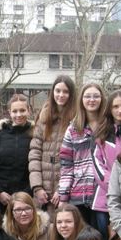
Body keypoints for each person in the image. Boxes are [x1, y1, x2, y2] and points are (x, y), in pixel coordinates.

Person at [58, 82, 106, 228]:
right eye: (87, 96)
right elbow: (66, 166)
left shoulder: (109, 127)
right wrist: (63, 197)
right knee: (81, 237)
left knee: (103, 236)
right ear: (81, 100)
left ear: (102, 99)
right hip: (80, 194)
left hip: (103, 194)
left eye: (96, 96)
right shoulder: (73, 129)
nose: (92, 100)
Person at [92, 90, 121, 240]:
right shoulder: (101, 133)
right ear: (109, 109)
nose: (120, 110)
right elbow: (97, 165)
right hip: (104, 198)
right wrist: (114, 185)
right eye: (115, 106)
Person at [29, 76, 76, 217]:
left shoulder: (76, 120)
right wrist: (37, 187)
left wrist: (62, 189)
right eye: (58, 91)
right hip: (43, 184)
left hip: (65, 185)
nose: (61, 95)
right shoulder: (43, 118)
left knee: (63, 222)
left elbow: (77, 158)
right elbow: (35, 154)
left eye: (65, 92)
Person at [0, 94, 33, 208]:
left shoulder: (35, 135)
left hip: (26, 198)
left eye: (22, 110)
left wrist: (25, 194)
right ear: (9, 112)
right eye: (14, 111)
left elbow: (37, 169)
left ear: (28, 111)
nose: (18, 114)